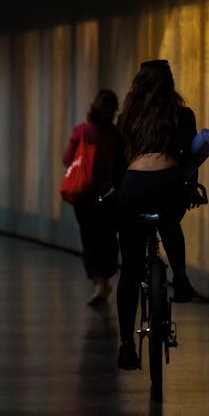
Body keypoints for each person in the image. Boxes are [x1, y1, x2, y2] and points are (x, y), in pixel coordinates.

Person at [112, 59, 205, 370]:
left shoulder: (128, 117)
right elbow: (192, 157)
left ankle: (126, 345)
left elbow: (118, 158)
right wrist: (191, 187)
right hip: (169, 184)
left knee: (129, 269)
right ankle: (180, 279)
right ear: (170, 83)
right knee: (170, 222)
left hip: (134, 185)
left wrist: (117, 187)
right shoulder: (182, 115)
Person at [63, 88, 120, 306]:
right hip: (109, 193)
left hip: (85, 194)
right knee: (107, 237)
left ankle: (99, 282)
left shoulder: (81, 132)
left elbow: (67, 159)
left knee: (90, 238)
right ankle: (102, 280)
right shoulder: (116, 135)